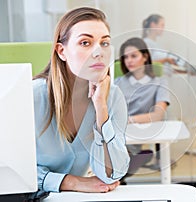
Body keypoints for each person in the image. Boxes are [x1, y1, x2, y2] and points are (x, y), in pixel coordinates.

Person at [32, 7, 130, 194]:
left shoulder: (113, 97)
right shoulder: (32, 97)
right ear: (61, 51)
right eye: (85, 43)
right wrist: (69, 182)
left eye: (105, 43)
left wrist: (101, 108)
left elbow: (112, 174)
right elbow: (9, 170)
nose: (98, 52)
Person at [115, 37, 170, 179]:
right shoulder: (117, 83)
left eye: (134, 56)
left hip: (132, 139)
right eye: (126, 57)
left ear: (145, 57)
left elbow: (158, 115)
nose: (129, 61)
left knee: (116, 163)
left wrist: (127, 120)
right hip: (114, 136)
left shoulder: (159, 83)